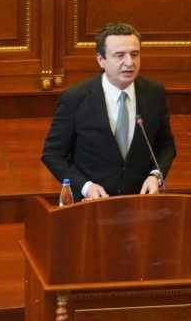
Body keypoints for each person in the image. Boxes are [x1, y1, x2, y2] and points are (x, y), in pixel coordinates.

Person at [41, 22, 176, 201]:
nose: (129, 62)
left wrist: (156, 176)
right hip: (92, 203)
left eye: (134, 54)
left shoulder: (154, 93)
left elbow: (166, 145)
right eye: (120, 55)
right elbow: (52, 154)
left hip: (140, 200)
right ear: (101, 60)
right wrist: (85, 187)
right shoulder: (75, 98)